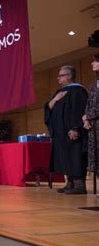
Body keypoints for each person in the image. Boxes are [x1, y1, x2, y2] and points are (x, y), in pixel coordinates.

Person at [45, 66, 88, 194]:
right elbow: (48, 108)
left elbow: (80, 110)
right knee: (65, 157)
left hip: (73, 132)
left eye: (61, 75)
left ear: (69, 76)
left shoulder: (78, 91)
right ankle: (70, 183)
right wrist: (56, 99)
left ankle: (79, 185)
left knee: (75, 157)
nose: (58, 78)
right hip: (60, 134)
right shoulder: (59, 92)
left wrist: (75, 128)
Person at [83, 54, 99, 193]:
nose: (92, 63)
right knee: (96, 155)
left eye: (95, 61)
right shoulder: (93, 85)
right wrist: (86, 118)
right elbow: (89, 104)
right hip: (93, 125)